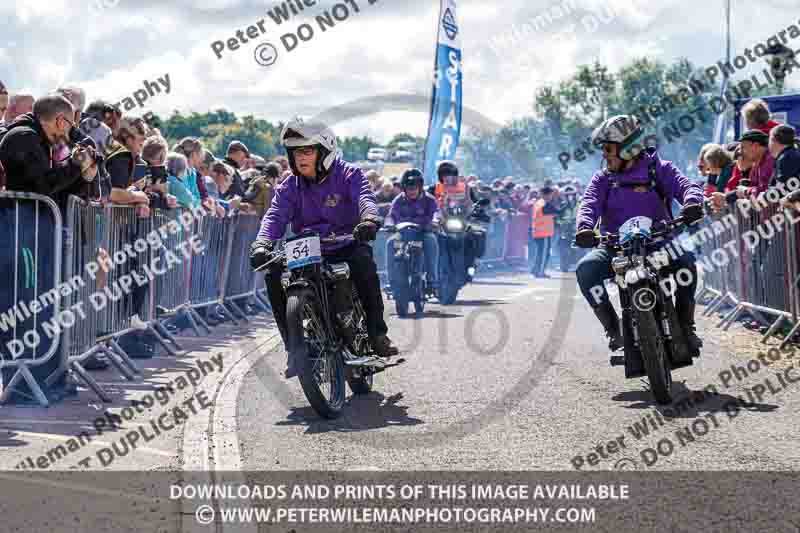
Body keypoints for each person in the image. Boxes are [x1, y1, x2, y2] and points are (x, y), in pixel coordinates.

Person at [249, 118, 399, 377]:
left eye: (307, 151)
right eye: (296, 152)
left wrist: (369, 220)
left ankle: (377, 334)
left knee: (364, 263)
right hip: (306, 249)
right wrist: (262, 243)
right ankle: (294, 351)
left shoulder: (349, 174)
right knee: (273, 275)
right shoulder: (289, 186)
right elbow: (274, 216)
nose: (301, 158)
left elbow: (365, 198)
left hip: (345, 243)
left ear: (325, 151)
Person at [574, 115, 704, 365]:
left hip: (659, 244)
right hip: (616, 248)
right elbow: (588, 203)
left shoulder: (660, 169)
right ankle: (614, 332)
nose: (605, 155)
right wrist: (584, 228)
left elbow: (687, 186)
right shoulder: (603, 178)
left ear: (628, 148)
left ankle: (686, 327)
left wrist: (692, 203)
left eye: (609, 149)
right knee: (586, 270)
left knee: (687, 262)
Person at [0, 94, 98, 208]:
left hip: (27, 221)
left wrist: (85, 175)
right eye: (71, 125)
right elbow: (42, 186)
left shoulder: (40, 140)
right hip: (16, 221)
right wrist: (76, 163)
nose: (69, 133)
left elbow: (56, 191)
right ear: (61, 121)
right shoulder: (24, 136)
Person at [384, 168, 439, 292]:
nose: (412, 190)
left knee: (432, 240)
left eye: (414, 187)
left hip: (423, 234)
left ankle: (432, 281)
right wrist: (389, 224)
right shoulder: (398, 200)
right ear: (404, 188)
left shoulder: (429, 199)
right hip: (402, 235)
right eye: (409, 187)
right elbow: (391, 216)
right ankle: (391, 282)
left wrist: (435, 221)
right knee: (390, 243)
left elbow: (436, 213)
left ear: (420, 187)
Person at [529, 186, 560, 278]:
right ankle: (540, 271)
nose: (551, 196)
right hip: (543, 232)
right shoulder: (543, 204)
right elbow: (555, 212)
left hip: (540, 231)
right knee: (544, 253)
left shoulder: (540, 202)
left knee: (540, 252)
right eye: (550, 194)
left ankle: (535, 270)